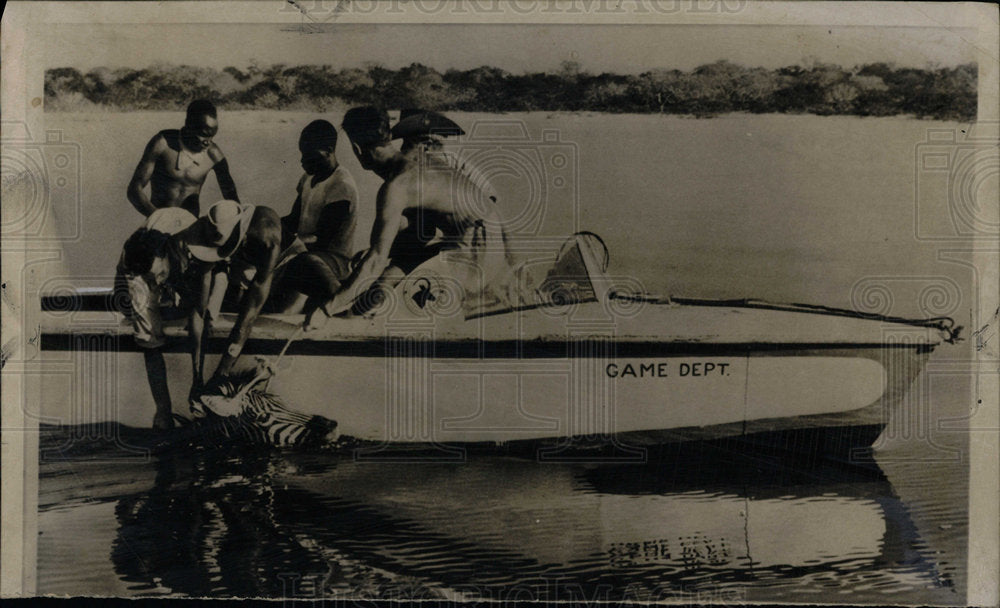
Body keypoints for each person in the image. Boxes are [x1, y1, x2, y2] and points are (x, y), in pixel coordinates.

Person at [304, 106, 514, 330]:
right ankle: (357, 313)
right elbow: (414, 243)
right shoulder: (419, 162)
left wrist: (328, 307)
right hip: (492, 246)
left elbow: (375, 260)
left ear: (357, 150)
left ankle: (345, 317)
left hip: (478, 256)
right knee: (399, 263)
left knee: (395, 278)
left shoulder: (396, 187)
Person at [115, 202, 245, 429]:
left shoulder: (206, 246)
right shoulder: (143, 259)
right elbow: (151, 344)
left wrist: (198, 379)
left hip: (170, 263)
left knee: (207, 299)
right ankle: (162, 411)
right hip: (140, 265)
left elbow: (198, 313)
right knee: (145, 330)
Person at [274, 120, 360, 314]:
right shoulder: (307, 178)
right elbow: (294, 220)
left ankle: (343, 308)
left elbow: (324, 239)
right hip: (303, 253)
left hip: (331, 261)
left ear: (329, 151)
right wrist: (270, 227)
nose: (303, 161)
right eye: (302, 154)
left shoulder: (341, 185)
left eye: (309, 155)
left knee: (302, 264)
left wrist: (288, 246)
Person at [127, 99, 239, 217]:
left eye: (212, 136)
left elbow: (232, 198)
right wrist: (157, 217)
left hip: (191, 226)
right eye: (204, 135)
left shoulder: (214, 155)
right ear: (189, 126)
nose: (208, 142)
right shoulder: (163, 143)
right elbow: (134, 189)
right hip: (158, 220)